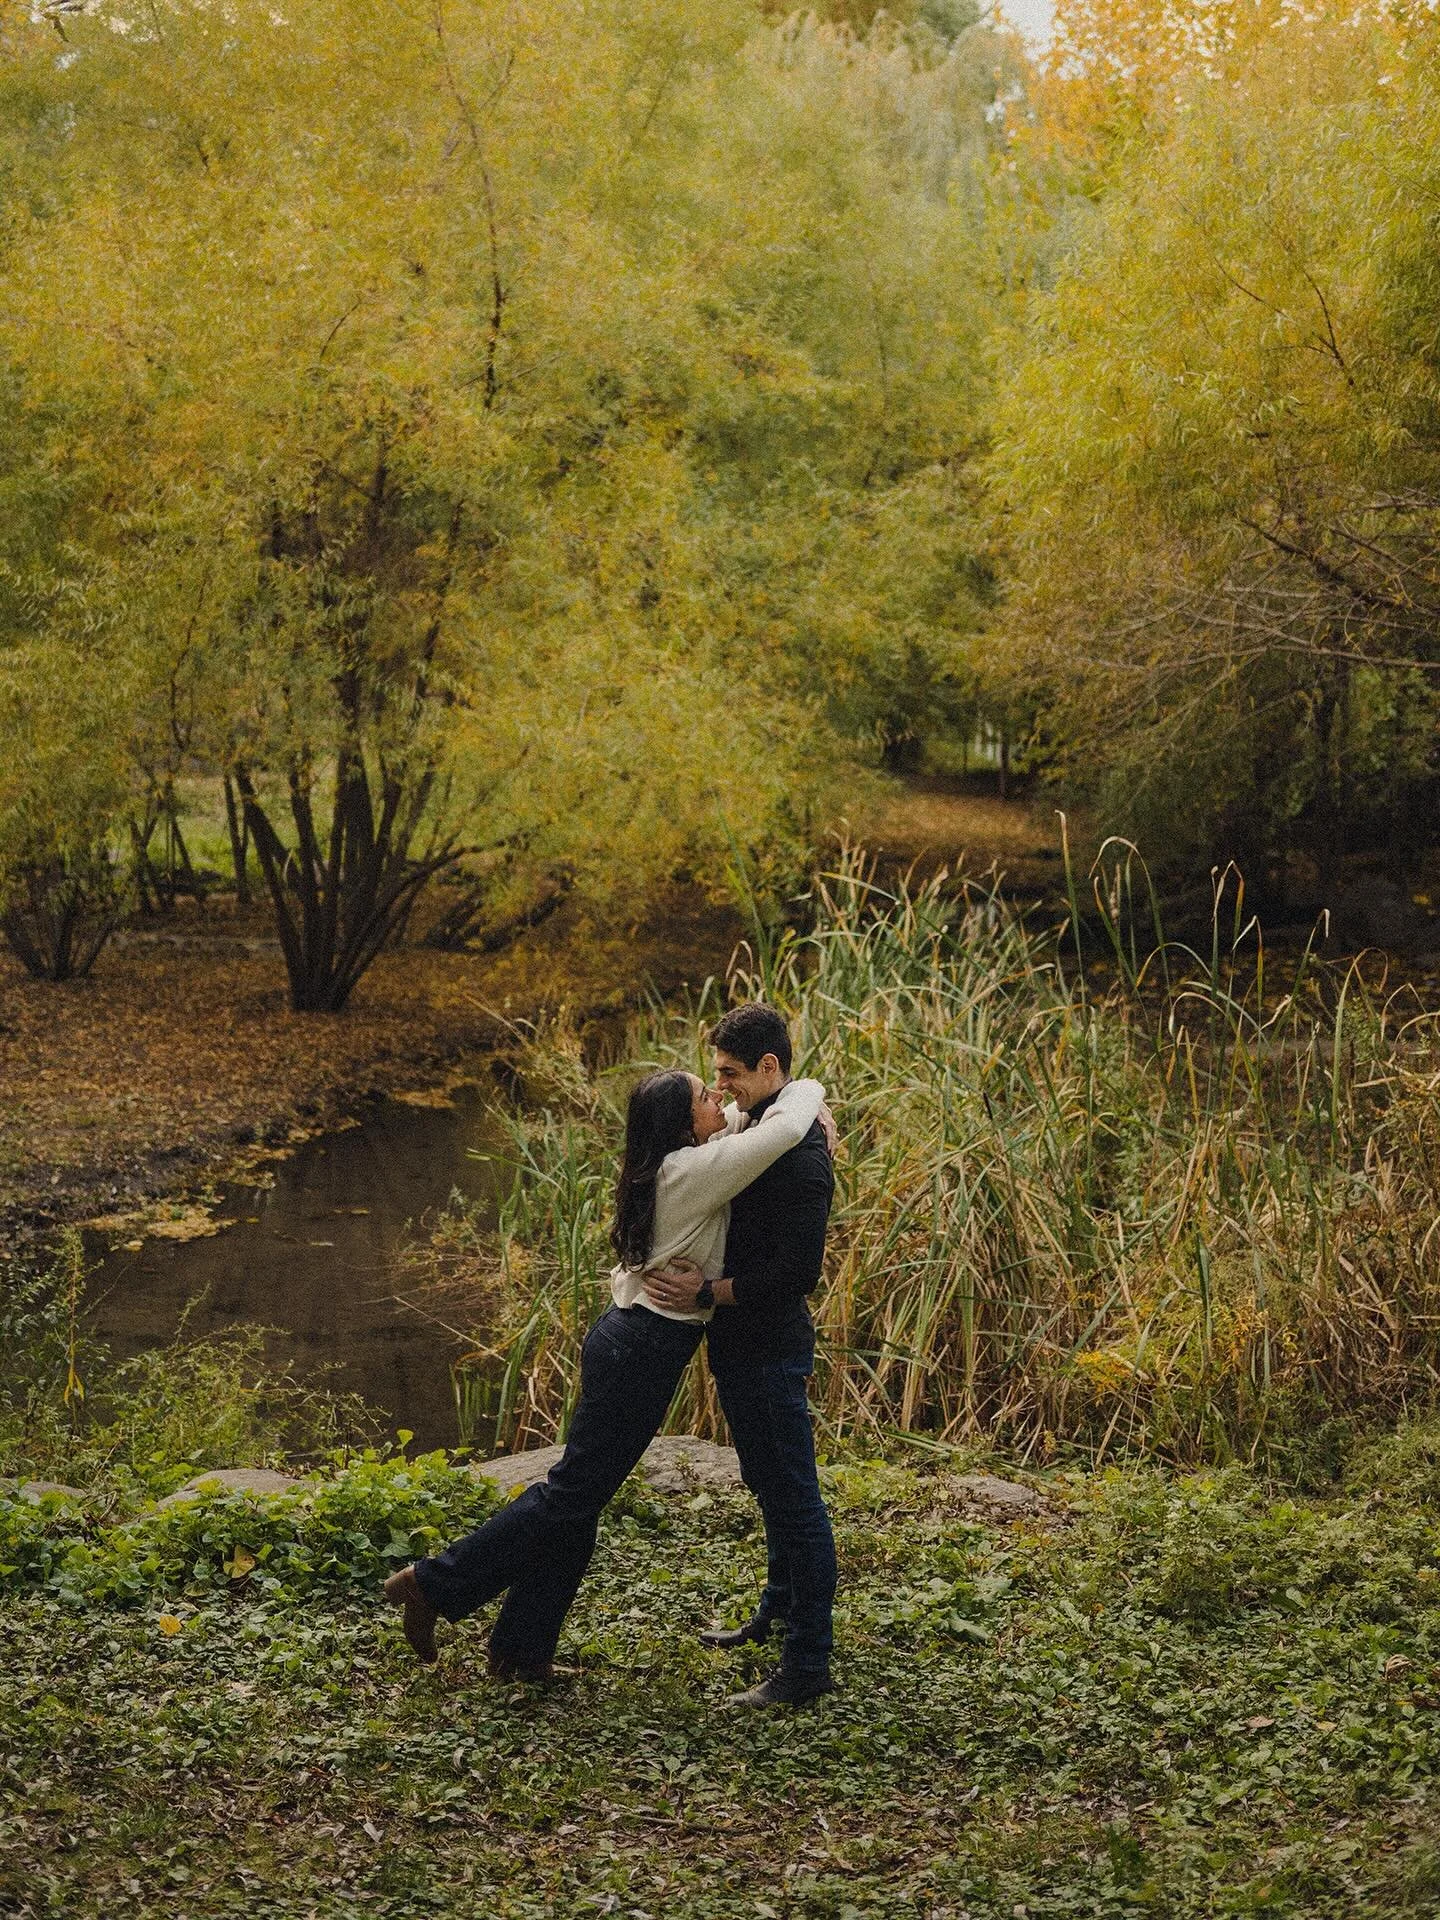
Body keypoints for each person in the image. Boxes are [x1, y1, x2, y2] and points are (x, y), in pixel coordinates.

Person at [383, 1063, 828, 1676]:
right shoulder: (693, 1170)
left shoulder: (674, 1160)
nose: (719, 1098)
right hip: (642, 1350)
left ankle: (519, 1650)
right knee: (570, 1497)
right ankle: (431, 1584)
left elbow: (739, 1121)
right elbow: (777, 1134)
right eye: (706, 1094)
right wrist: (810, 1094)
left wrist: (784, 1115)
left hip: (630, 1342)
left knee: (579, 1502)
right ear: (681, 1121)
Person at [644, 1003, 837, 1708]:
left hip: (771, 1351)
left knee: (796, 1505)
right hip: (741, 1350)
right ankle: (776, 1611)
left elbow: (796, 1275)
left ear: (768, 1067)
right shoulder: (768, 1122)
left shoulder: (804, 1160)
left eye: (728, 1075)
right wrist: (810, 1098)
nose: (719, 1090)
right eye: (713, 1077)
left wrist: (709, 1292)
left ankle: (806, 1666)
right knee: (770, 1488)